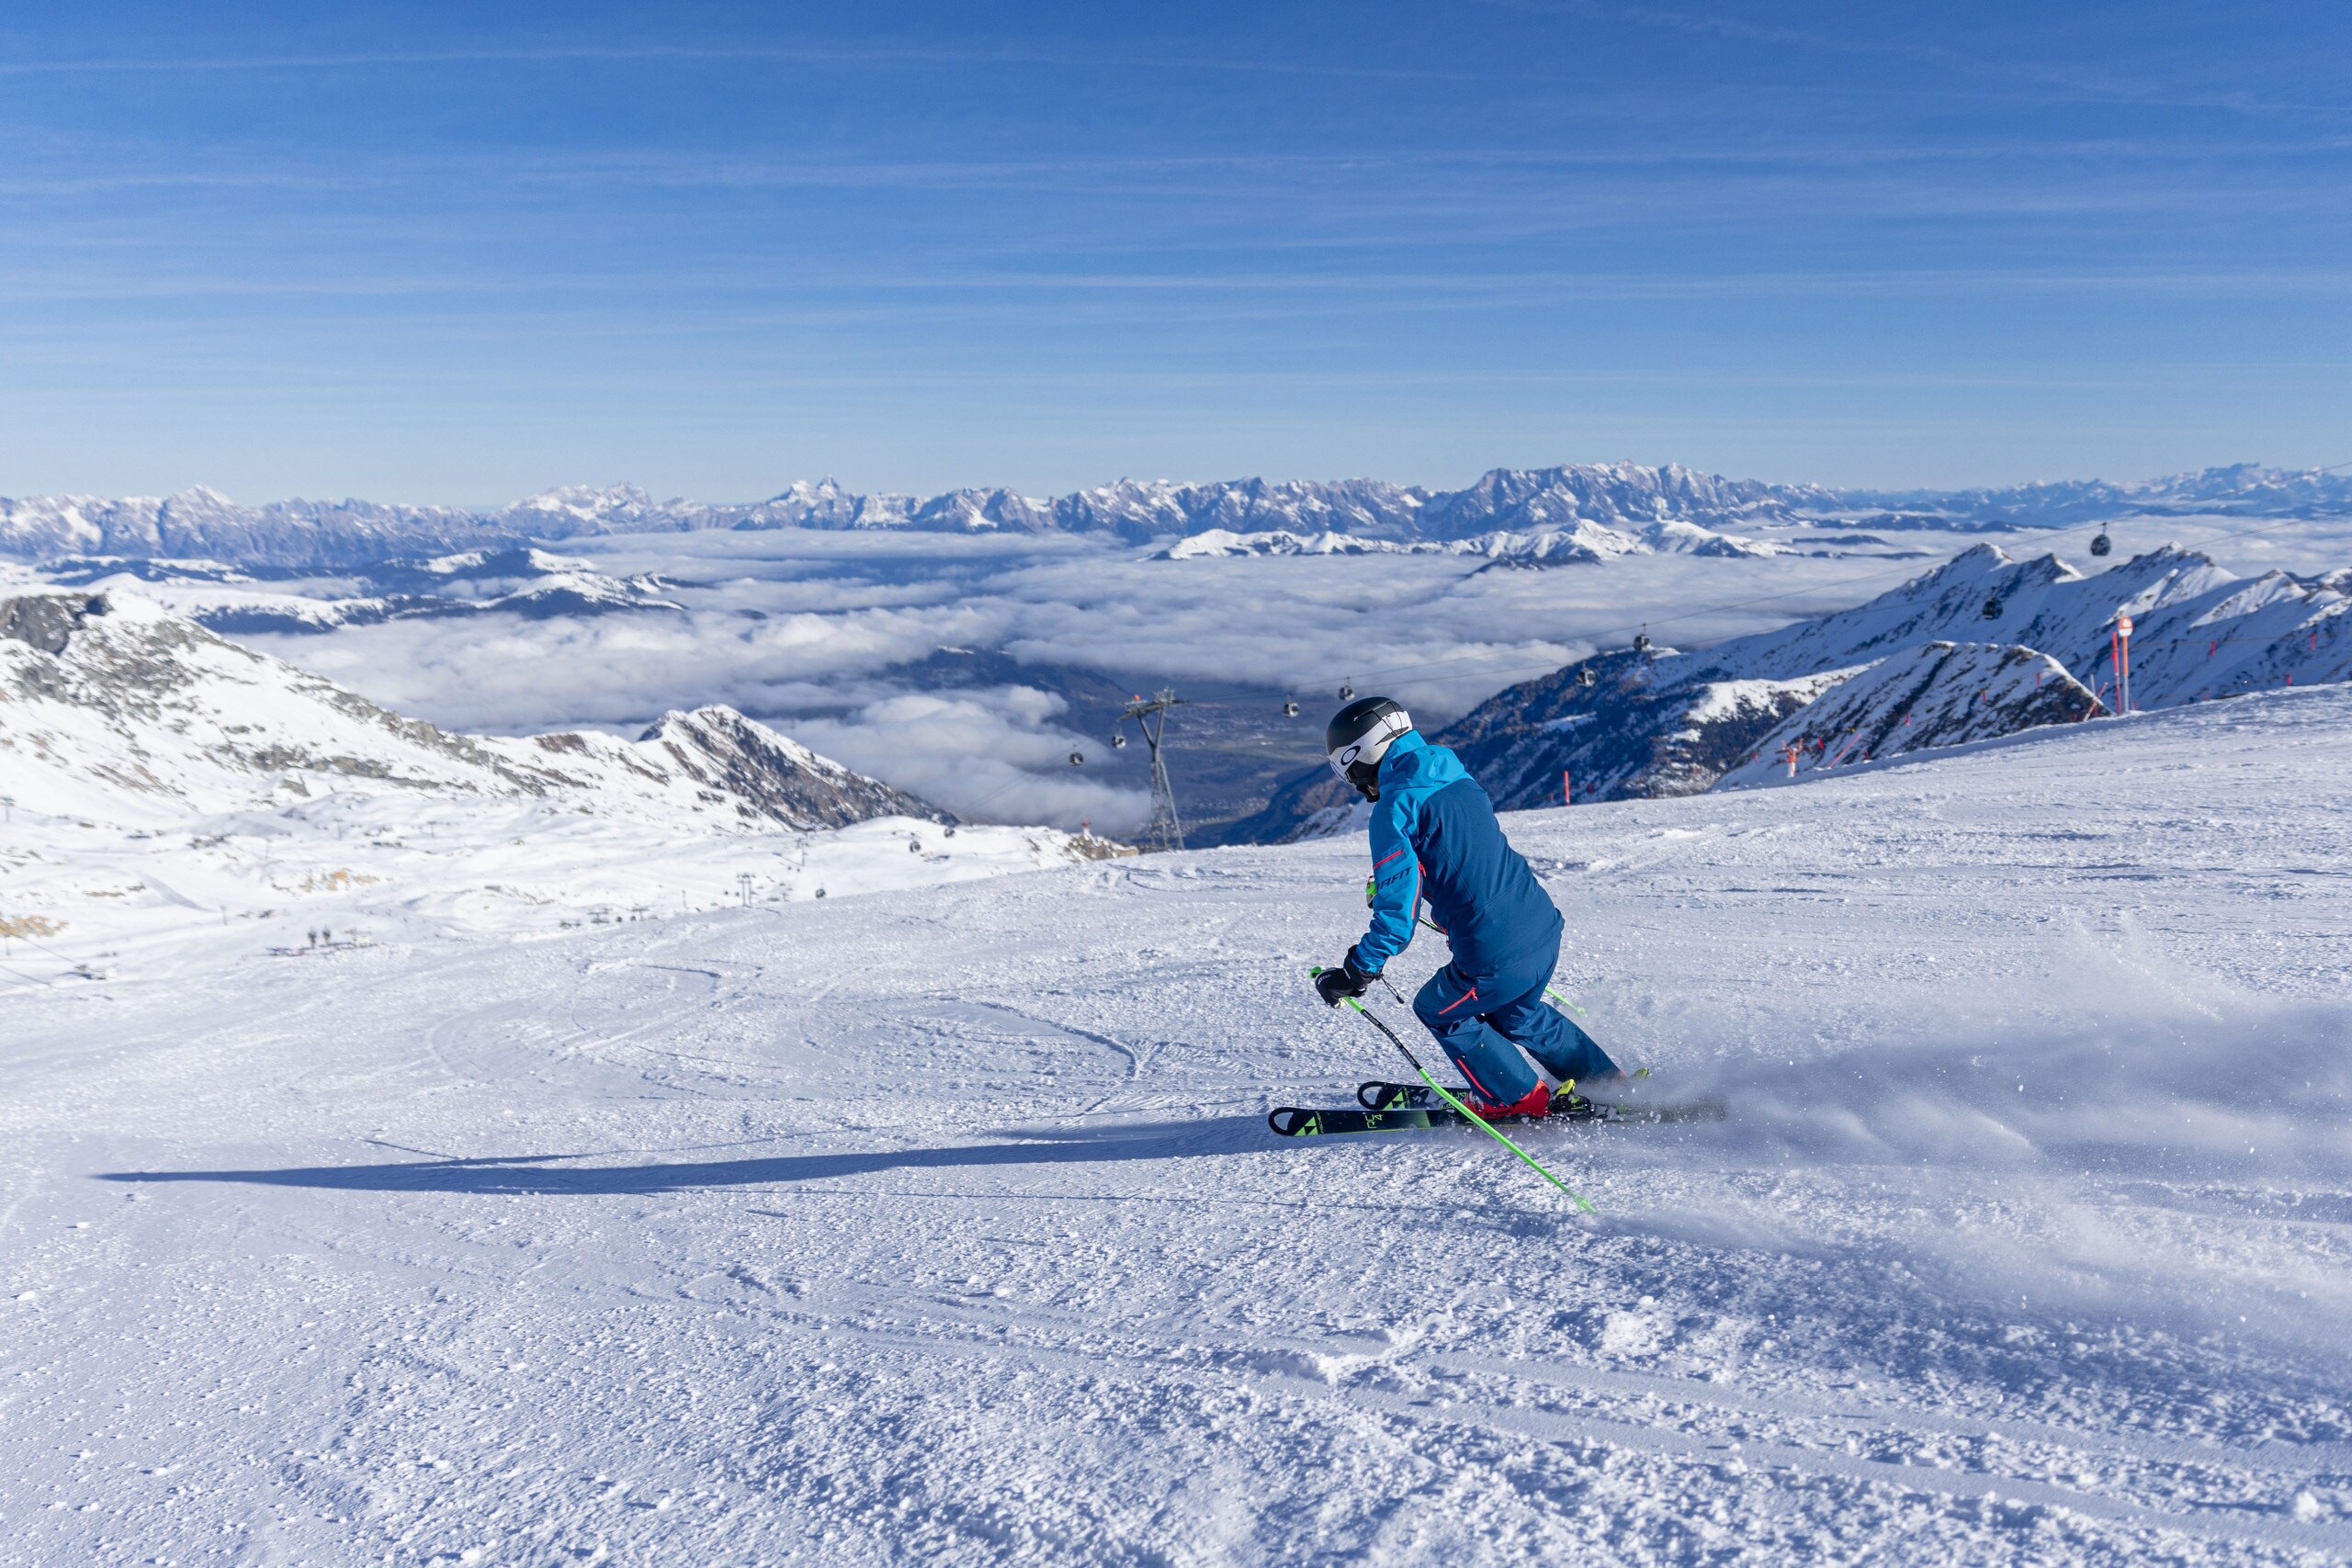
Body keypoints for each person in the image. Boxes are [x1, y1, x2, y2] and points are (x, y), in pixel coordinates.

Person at [1314, 696, 1618, 1116]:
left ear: (1361, 755)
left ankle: (1516, 1098)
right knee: (1517, 1013)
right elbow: (1464, 859)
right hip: (1541, 927)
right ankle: (1604, 1080)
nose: (1354, 783)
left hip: (1494, 952)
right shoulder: (1454, 773)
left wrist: (1358, 970)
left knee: (1438, 1009)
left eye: (1345, 770)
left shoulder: (1394, 808)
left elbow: (1397, 915)